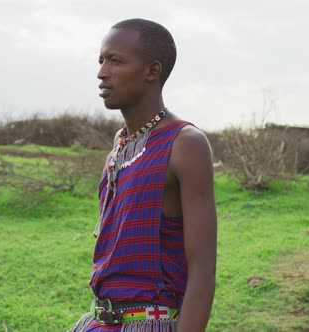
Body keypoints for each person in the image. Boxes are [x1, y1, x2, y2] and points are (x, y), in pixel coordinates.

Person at [69, 18, 217, 332]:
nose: (101, 73)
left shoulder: (185, 144)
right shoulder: (118, 148)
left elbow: (203, 266)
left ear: (152, 71)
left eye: (115, 61)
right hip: (98, 322)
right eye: (101, 60)